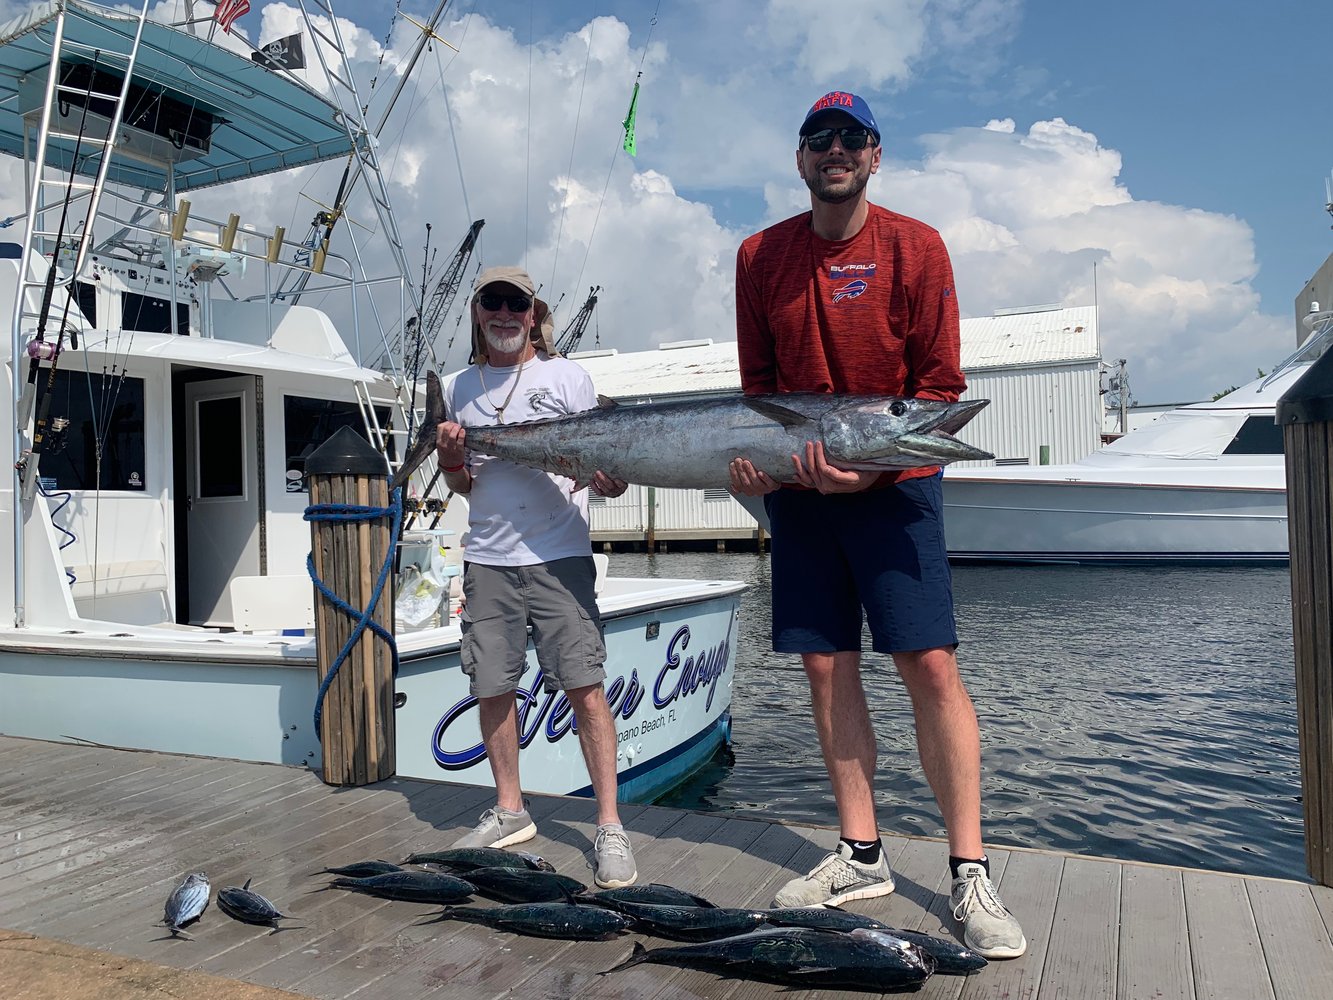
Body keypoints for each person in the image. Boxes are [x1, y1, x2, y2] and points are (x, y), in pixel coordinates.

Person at [728, 91, 1026, 959]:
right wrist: (756, 464)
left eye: (850, 138)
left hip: (893, 482)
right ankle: (860, 854)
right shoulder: (758, 255)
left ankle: (968, 867)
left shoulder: (916, 246)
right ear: (799, 159)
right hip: (800, 486)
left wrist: (873, 470)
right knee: (824, 666)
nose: (835, 150)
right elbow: (758, 390)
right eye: (818, 139)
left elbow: (936, 387)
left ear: (874, 153)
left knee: (927, 664)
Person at [434, 266, 636, 889]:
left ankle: (608, 825)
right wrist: (447, 460)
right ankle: (511, 809)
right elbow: (466, 482)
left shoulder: (567, 376)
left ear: (532, 313)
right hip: (488, 558)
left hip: (558, 557)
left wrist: (610, 479)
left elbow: (610, 470)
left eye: (514, 304)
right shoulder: (455, 387)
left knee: (584, 685)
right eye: (491, 302)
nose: (503, 313)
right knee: (492, 684)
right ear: (476, 312)